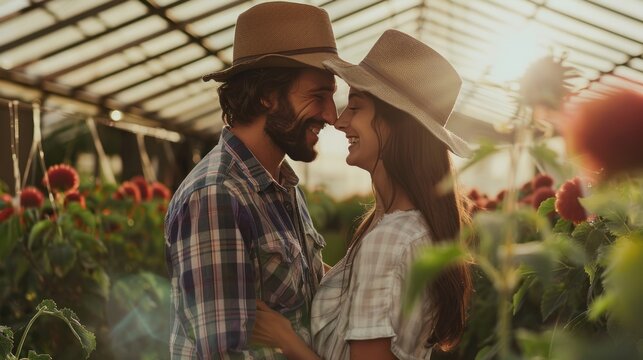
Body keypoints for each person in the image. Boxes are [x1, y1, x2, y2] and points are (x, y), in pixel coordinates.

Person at [250, 30, 474, 360]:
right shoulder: (405, 229)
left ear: (395, 126)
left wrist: (286, 339)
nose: (340, 121)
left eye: (355, 106)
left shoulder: (387, 242)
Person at [164, 2, 341, 358]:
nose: (332, 116)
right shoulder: (217, 196)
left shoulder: (282, 185)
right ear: (267, 96)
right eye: (318, 97)